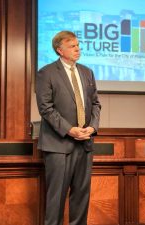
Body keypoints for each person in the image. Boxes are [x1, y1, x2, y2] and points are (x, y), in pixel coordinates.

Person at [36, 30, 101, 225]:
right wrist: (70, 130)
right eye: (72, 46)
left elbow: (96, 104)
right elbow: (45, 108)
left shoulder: (87, 72)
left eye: (78, 45)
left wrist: (92, 127)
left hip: (85, 144)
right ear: (59, 50)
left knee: (81, 198)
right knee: (56, 200)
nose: (77, 49)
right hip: (59, 145)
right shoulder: (46, 73)